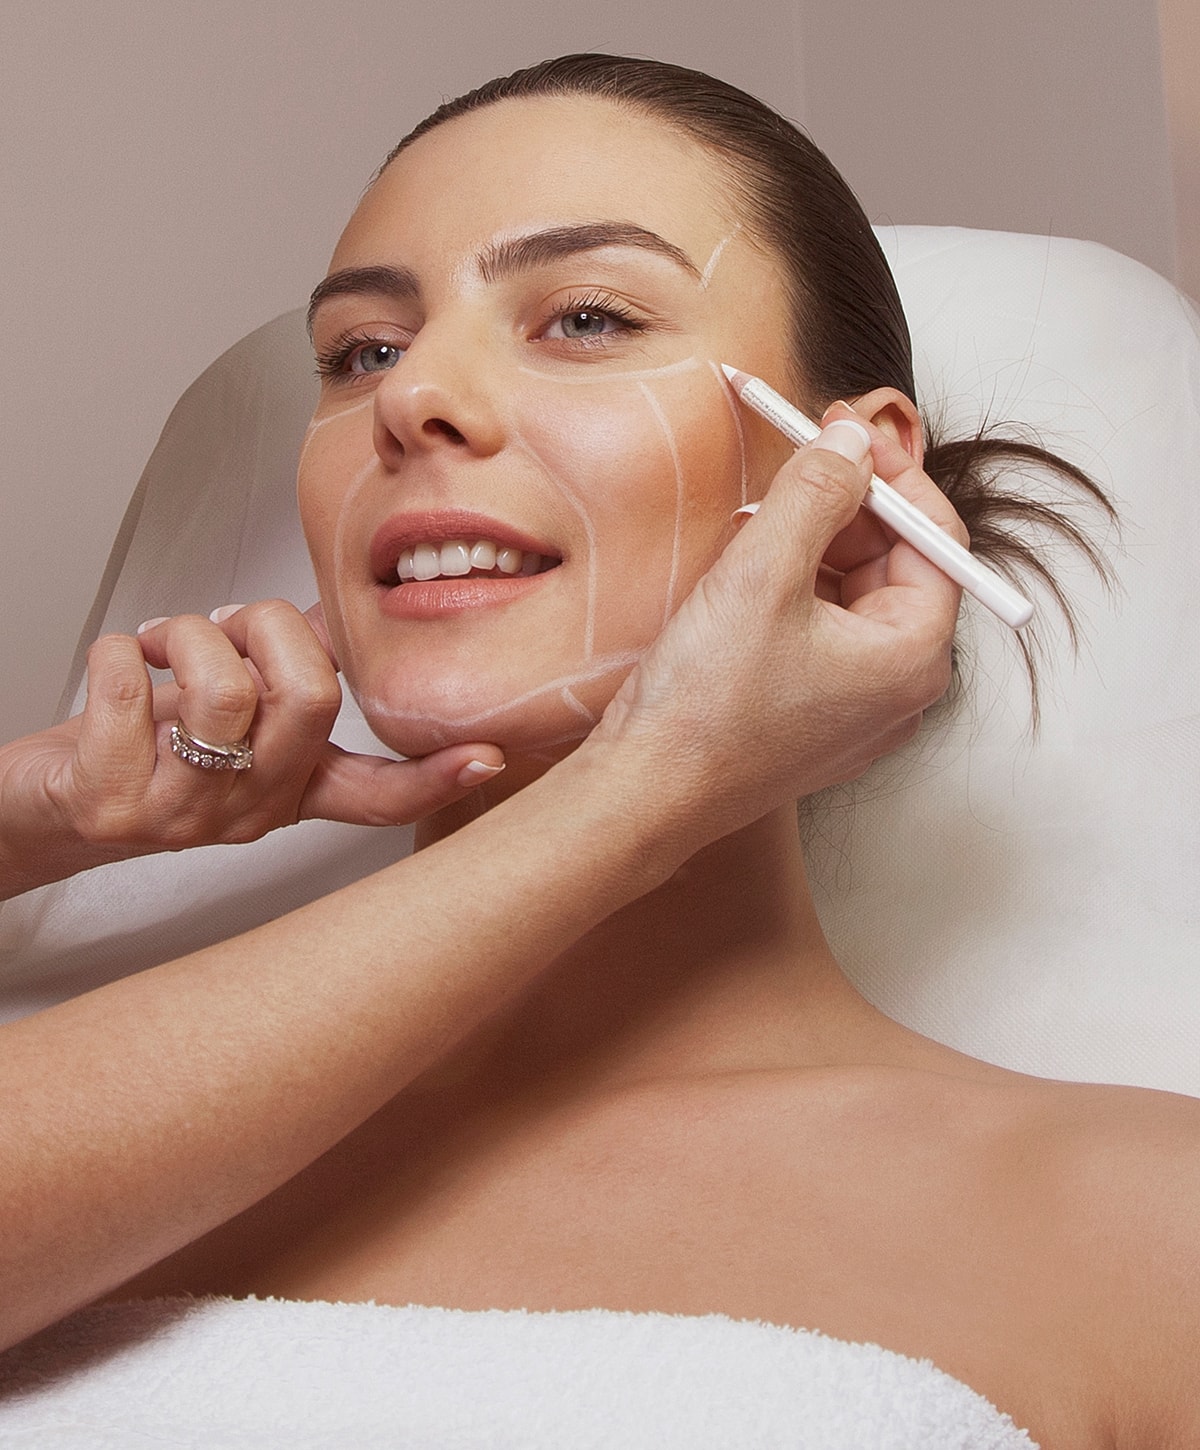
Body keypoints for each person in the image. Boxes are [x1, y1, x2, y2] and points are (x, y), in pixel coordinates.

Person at [0, 52, 1195, 1450]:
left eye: (582, 316)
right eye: (361, 352)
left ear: (856, 484)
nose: (411, 396)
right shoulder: (92, 1127)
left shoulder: (1133, 1220)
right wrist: (39, 818)